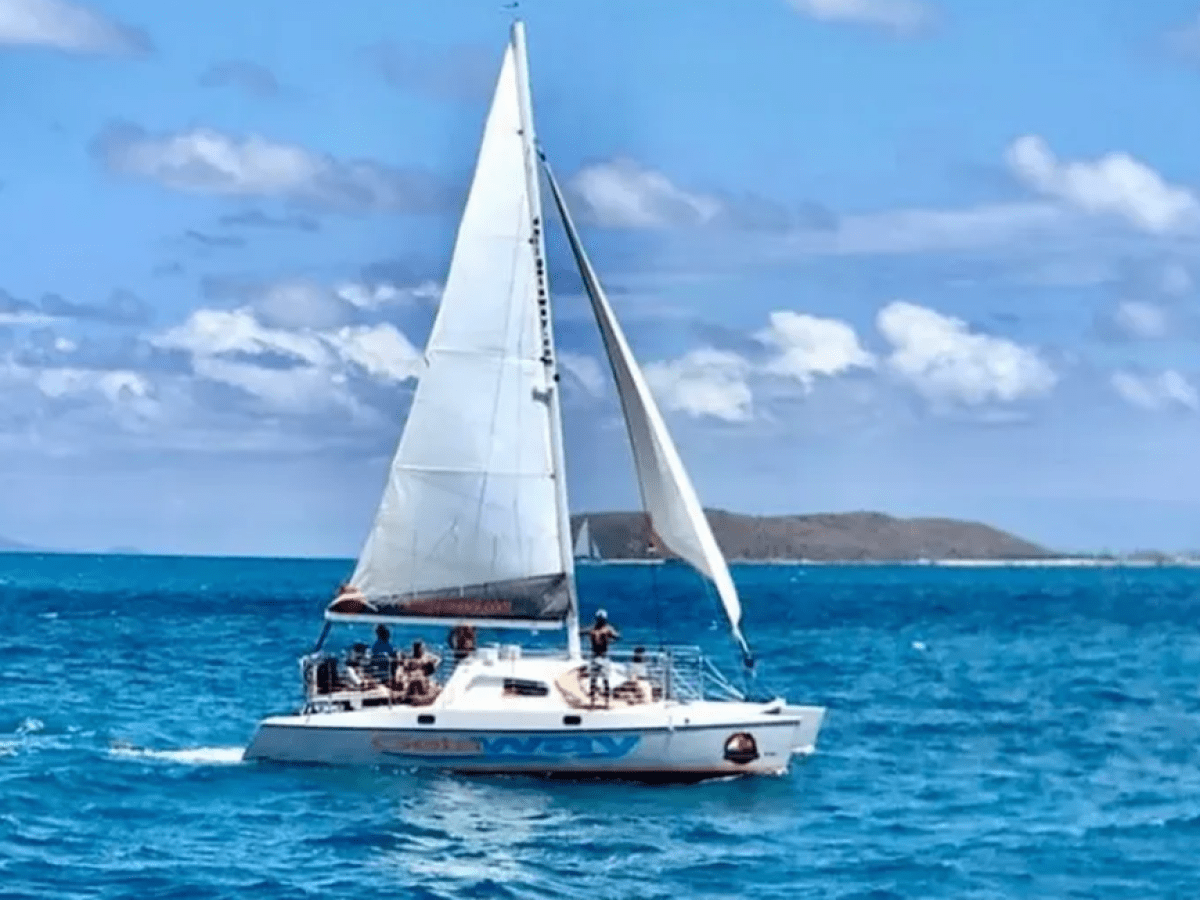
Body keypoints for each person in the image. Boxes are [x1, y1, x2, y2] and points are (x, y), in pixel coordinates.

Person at [581, 609, 620, 705]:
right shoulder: (594, 630)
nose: (600, 621)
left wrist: (610, 638)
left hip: (603, 656)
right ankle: (593, 701)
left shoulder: (606, 630)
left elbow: (617, 636)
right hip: (595, 656)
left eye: (601, 619)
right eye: (600, 619)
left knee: (605, 680)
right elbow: (582, 632)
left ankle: (606, 701)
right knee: (594, 680)